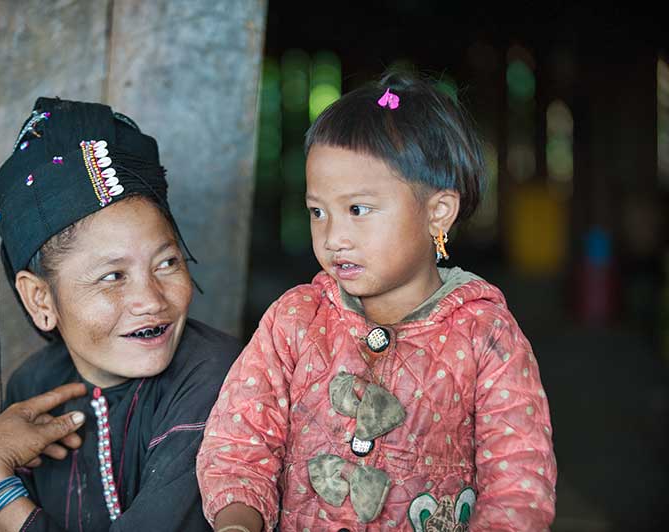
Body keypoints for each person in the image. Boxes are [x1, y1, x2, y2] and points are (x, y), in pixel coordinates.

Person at [197, 74, 557, 531]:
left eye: (357, 210)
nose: (333, 237)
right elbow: (239, 441)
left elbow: (519, 481)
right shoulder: (294, 320)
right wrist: (237, 522)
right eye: (317, 212)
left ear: (437, 211)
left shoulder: (485, 334)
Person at [0, 97, 240, 531]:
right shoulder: (33, 387)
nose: (150, 299)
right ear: (41, 300)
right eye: (112, 276)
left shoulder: (221, 379)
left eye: (167, 263)